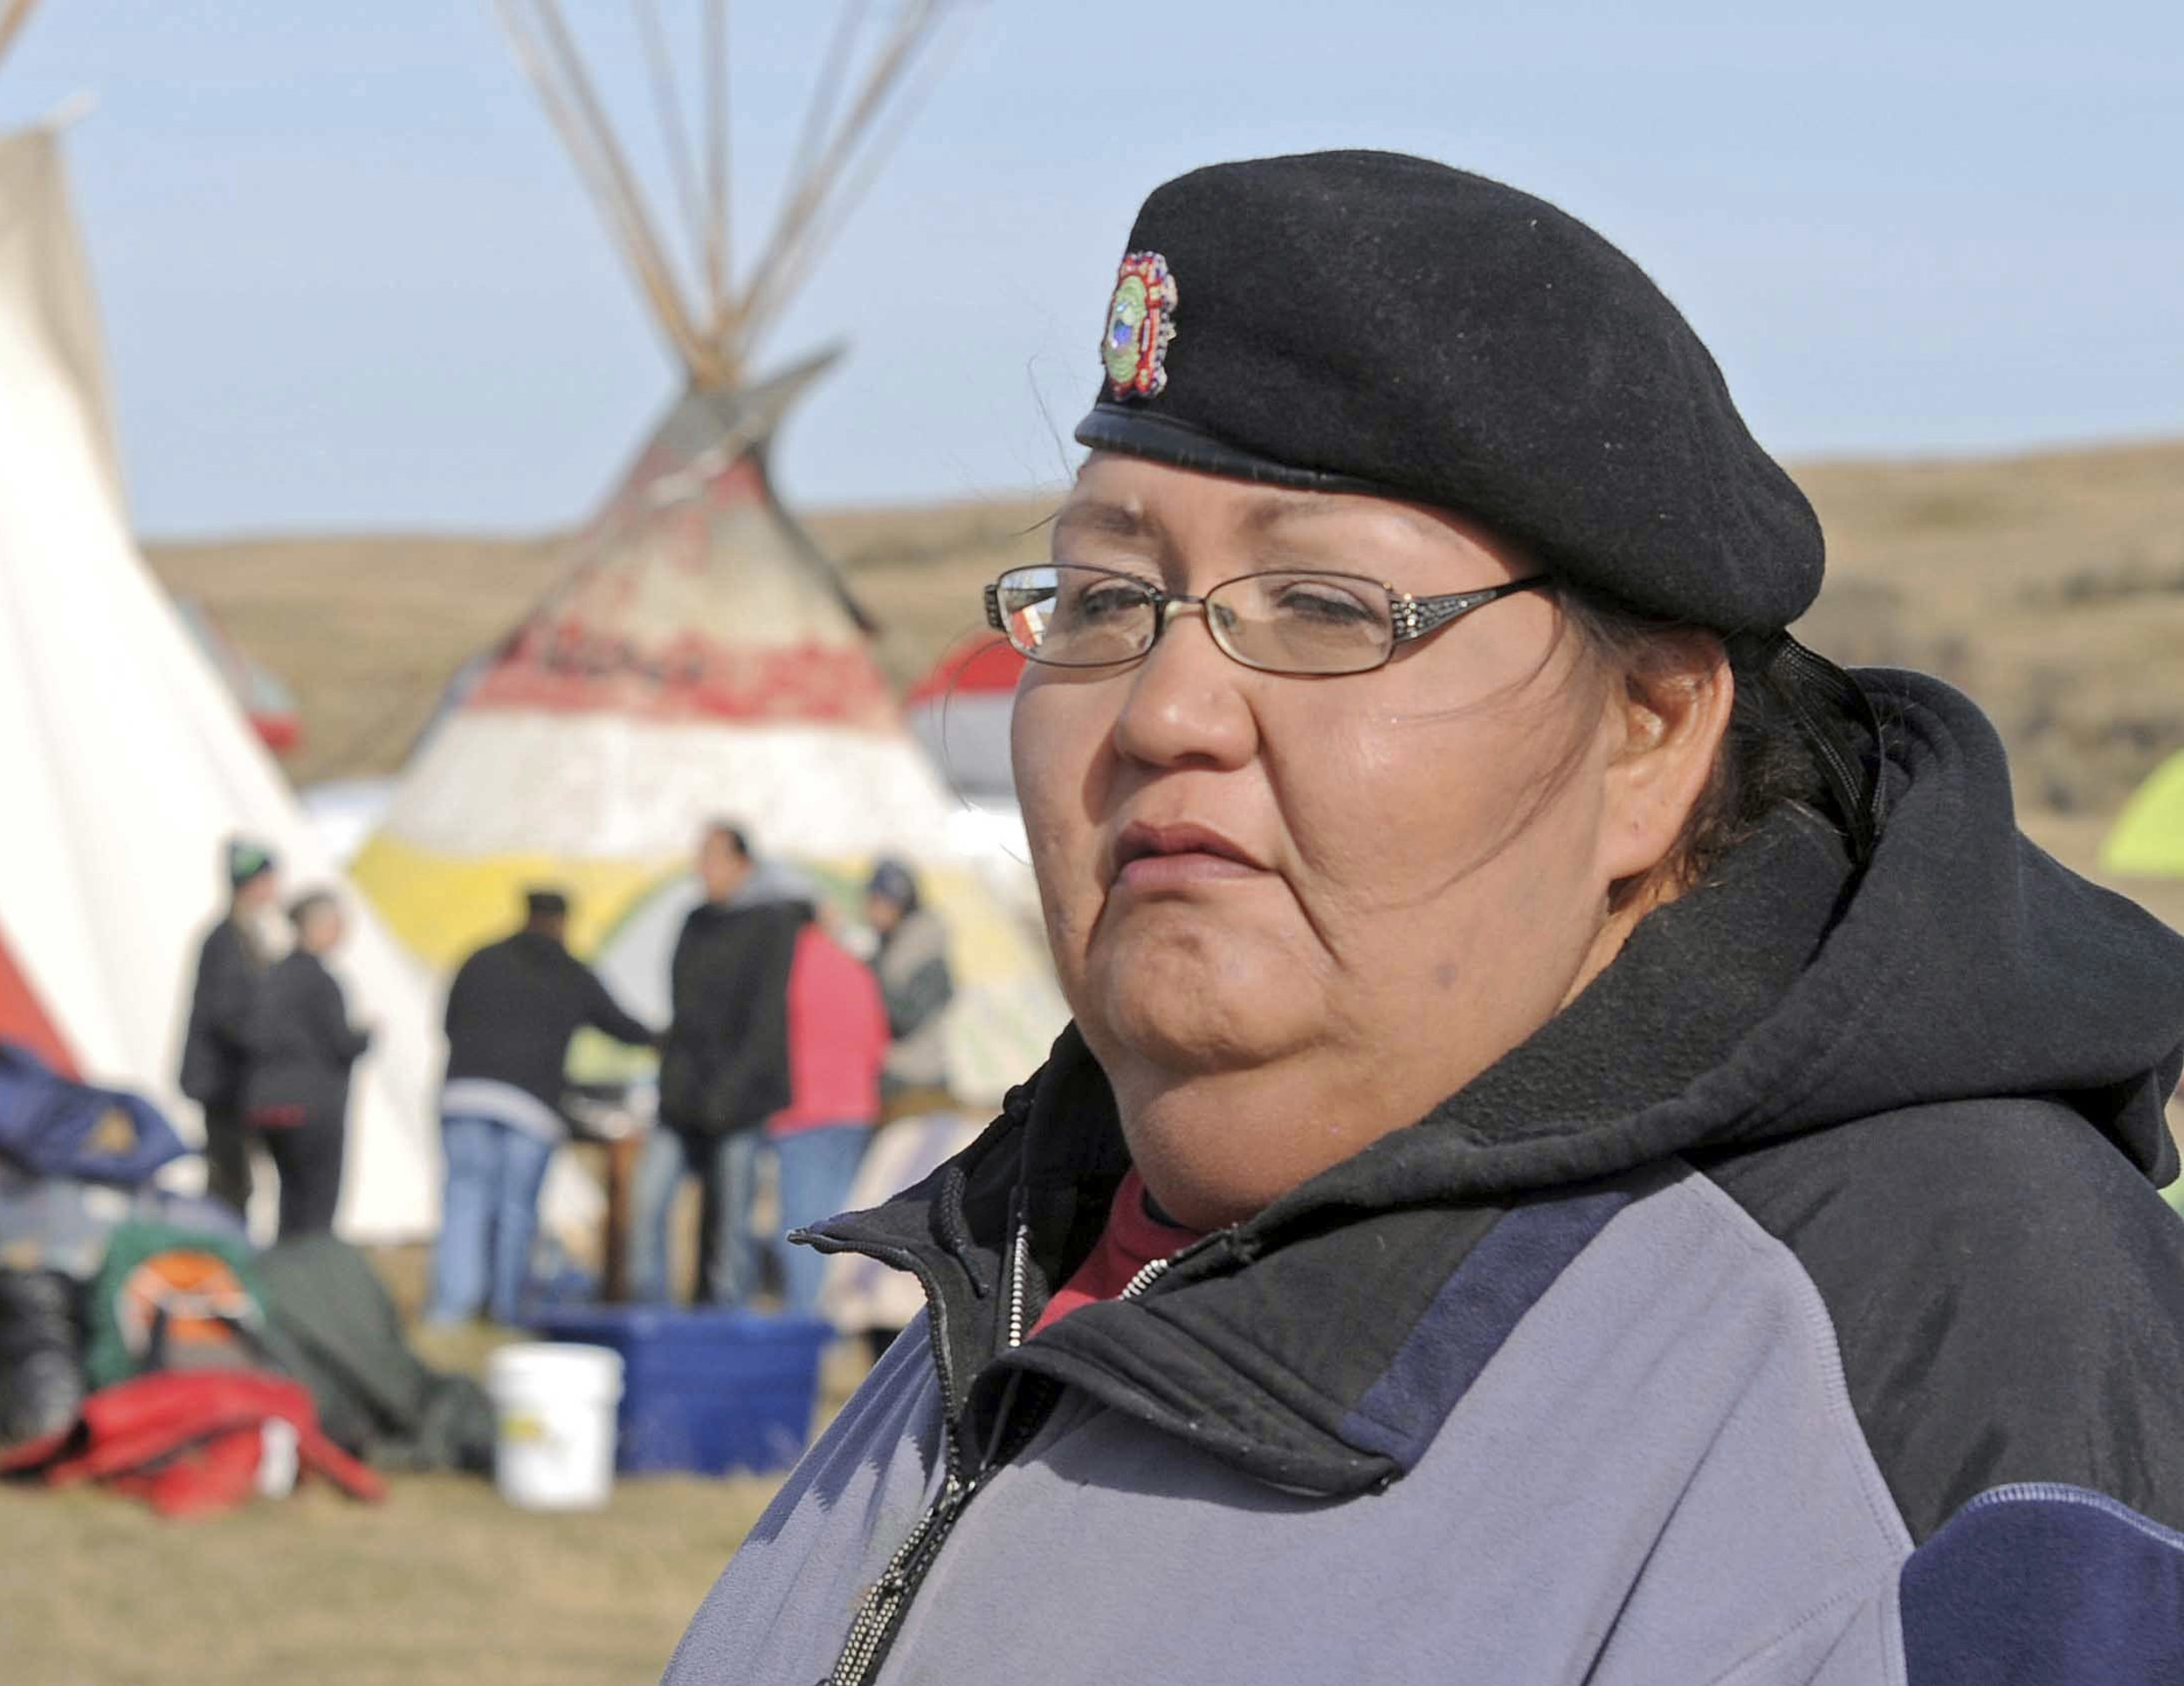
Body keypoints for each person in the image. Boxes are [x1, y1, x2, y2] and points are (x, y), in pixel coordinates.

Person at [667, 153, 2184, 1684]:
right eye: (1101, 599)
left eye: (1326, 608)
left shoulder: (1916, 1326)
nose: (1167, 707)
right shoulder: (1003, 1264)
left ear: (1650, 737)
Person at [428, 889, 658, 1326]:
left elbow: (446, 1023)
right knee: (516, 1209)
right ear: (562, 923)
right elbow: (620, 1026)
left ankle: (449, 1314)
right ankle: (505, 1313)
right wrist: (669, 1041)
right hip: (530, 1105)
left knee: (463, 1202)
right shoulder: (570, 971)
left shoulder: (480, 959)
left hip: (465, 1094)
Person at [630, 822, 811, 1305]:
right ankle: (650, 1313)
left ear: (741, 864)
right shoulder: (694, 922)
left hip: (740, 1100)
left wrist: (730, 1092)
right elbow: (682, 1008)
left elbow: (764, 1020)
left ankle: (727, 1322)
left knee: (732, 1218)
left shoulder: (771, 926)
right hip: (682, 1096)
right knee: (648, 1203)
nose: (702, 868)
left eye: (712, 856)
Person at [765, 908, 889, 1317]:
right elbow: (878, 1043)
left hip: (803, 1110)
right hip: (856, 1110)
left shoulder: (783, 969)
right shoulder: (854, 969)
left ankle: (805, 1322)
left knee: (803, 1224)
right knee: (842, 1217)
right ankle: (838, 1320)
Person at [245, 890, 371, 1239]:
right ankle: (309, 1283)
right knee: (316, 1208)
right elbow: (340, 1042)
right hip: (314, 1109)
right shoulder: (321, 981)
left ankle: (285, 1280)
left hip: (269, 1108)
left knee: (289, 1201)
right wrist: (365, 1038)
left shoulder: (271, 974)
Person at [177, 838, 276, 1216]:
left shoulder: (244, 935)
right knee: (229, 1180)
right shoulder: (227, 940)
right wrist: (264, 1041)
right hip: (223, 1082)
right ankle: (219, 1257)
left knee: (235, 1178)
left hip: (231, 1080)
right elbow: (227, 1013)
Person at [861, 858, 956, 1117]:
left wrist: (866, 979)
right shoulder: (889, 946)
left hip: (918, 1079)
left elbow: (906, 1018)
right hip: (894, 1075)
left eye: (881, 901)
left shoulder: (925, 951)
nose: (873, 910)